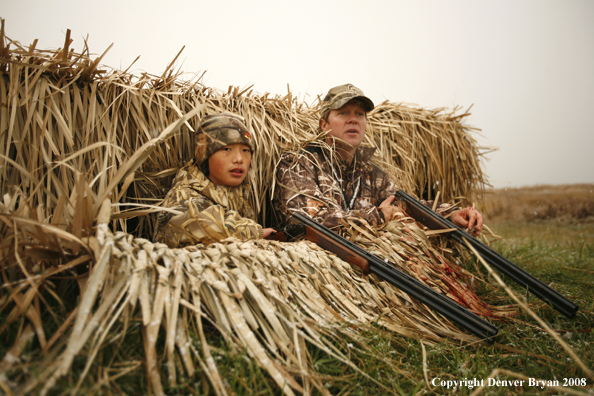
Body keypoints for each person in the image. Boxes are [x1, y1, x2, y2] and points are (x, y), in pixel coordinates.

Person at [272, 83, 483, 234]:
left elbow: (406, 204)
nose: (353, 119)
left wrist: (448, 214)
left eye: (360, 114)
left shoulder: (369, 172)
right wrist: (375, 216)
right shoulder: (298, 164)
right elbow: (305, 221)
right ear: (324, 125)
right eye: (343, 113)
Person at [155, 112, 275, 248]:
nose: (239, 159)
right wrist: (257, 232)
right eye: (227, 149)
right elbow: (200, 227)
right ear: (204, 156)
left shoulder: (239, 195)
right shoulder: (183, 196)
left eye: (246, 150)